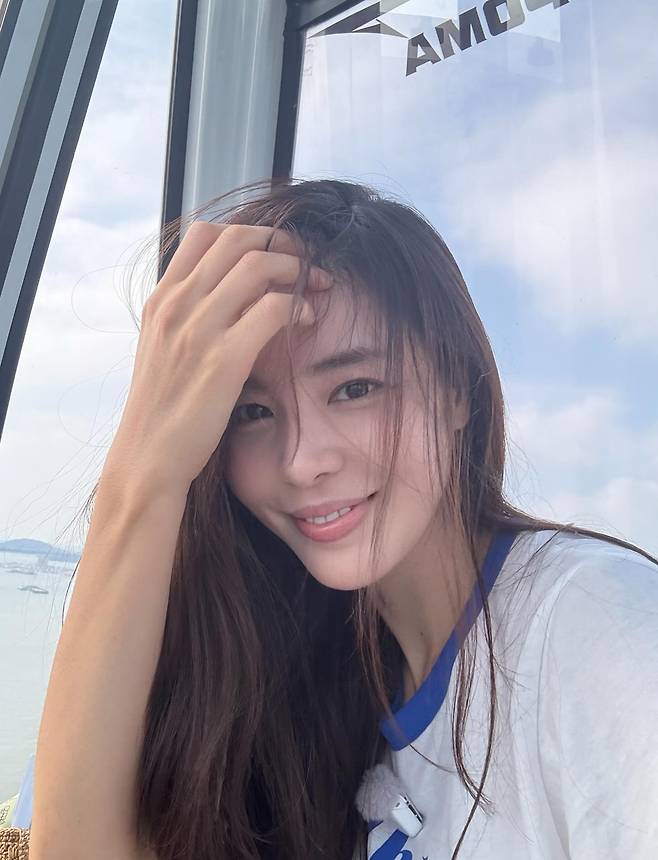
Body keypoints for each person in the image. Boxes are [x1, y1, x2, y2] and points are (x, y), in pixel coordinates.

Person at [5, 178, 657, 860]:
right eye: (252, 411)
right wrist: (143, 477)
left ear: (458, 391)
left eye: (355, 388)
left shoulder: (592, 628)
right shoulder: (311, 670)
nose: (301, 461)